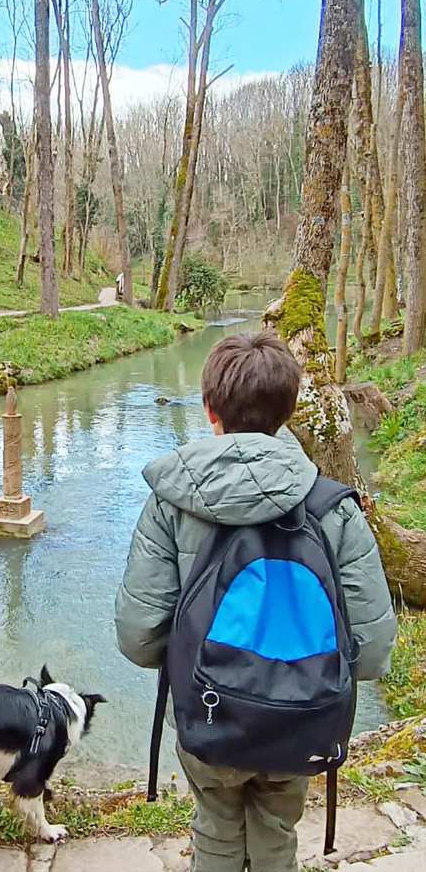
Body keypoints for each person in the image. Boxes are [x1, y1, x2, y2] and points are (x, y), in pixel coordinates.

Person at [115, 332, 396, 872]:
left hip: (209, 714)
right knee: (276, 829)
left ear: (208, 408)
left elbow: (137, 634)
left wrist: (198, 658)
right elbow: (374, 647)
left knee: (217, 829)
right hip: (302, 717)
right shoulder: (332, 507)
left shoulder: (170, 504)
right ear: (288, 412)